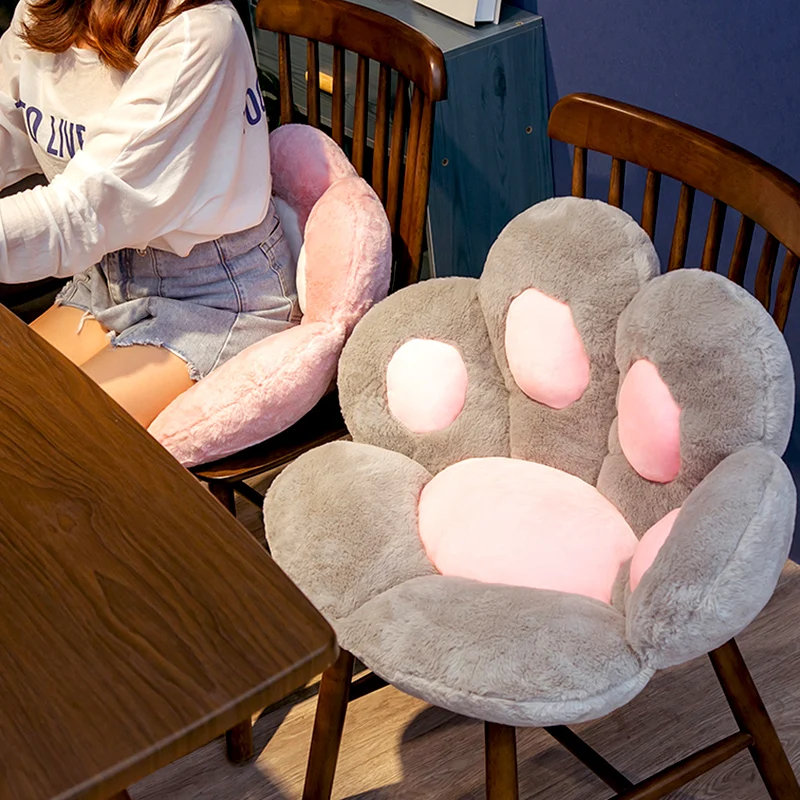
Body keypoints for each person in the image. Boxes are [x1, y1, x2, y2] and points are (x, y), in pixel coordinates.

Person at [0, 0, 298, 427]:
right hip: (107, 276)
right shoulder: (43, 9)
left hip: (217, 295)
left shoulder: (199, 31)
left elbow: (82, 210)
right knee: (11, 402)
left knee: (40, 436)